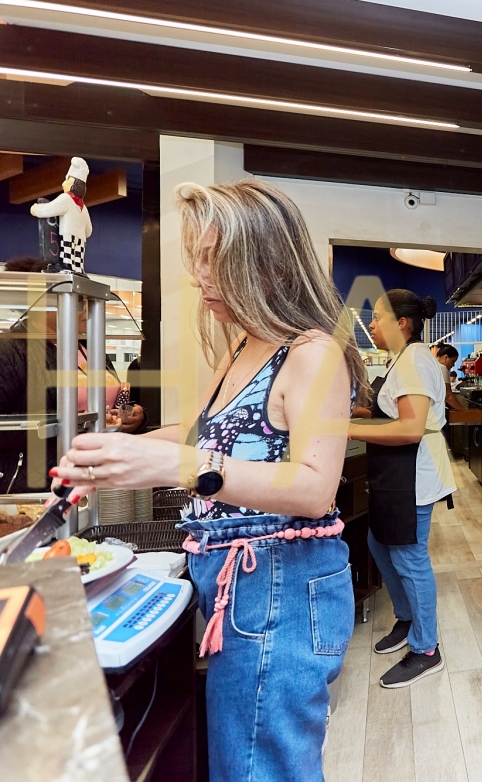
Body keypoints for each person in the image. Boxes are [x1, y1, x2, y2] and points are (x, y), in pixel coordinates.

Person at [51, 180, 368, 782]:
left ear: (269, 262)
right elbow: (203, 435)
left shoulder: (313, 352)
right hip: (245, 584)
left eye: (215, 261)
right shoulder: (247, 344)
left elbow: (313, 488)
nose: (202, 279)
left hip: (281, 587)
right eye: (197, 260)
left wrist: (173, 469)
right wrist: (118, 452)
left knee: (258, 766)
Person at [350, 290, 456, 687]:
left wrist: (345, 427)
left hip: (412, 475)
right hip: (393, 473)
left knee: (410, 557)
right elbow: (390, 411)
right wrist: (359, 412)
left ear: (402, 324)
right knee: (379, 544)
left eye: (377, 318)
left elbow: (410, 429)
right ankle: (408, 618)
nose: (372, 325)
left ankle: (427, 649)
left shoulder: (415, 361)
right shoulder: (402, 360)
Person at [0, 257, 143, 491]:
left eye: (86, 301)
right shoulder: (10, 350)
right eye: (79, 302)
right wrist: (78, 423)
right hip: (40, 482)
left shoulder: (90, 348)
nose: (85, 311)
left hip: (98, 473)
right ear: (44, 303)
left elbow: (107, 401)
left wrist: (132, 415)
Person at [432, 343, 469, 411]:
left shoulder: (432, 364)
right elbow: (448, 396)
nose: (453, 365)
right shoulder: (442, 368)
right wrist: (464, 410)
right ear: (446, 357)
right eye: (453, 361)